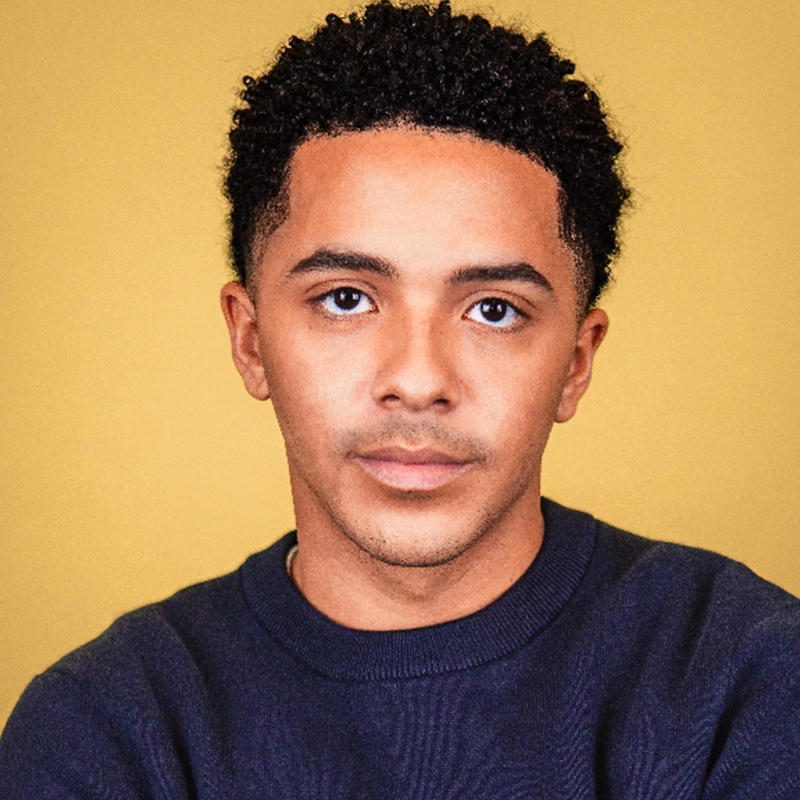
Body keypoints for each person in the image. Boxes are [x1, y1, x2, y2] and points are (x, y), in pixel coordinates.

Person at [1, 1, 798, 796]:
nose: (418, 381)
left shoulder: (749, 679)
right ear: (251, 341)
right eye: (346, 299)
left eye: (494, 309)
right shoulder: (104, 730)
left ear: (576, 364)